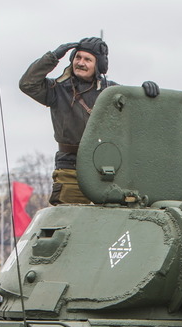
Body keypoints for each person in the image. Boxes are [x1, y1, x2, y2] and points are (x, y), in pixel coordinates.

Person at [20, 37, 124, 206]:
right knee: (68, 220)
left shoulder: (111, 92)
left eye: (88, 59)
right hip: (69, 167)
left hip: (106, 169)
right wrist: (52, 57)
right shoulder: (58, 89)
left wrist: (148, 93)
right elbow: (27, 84)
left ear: (99, 65)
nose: (81, 63)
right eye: (78, 57)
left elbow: (135, 112)